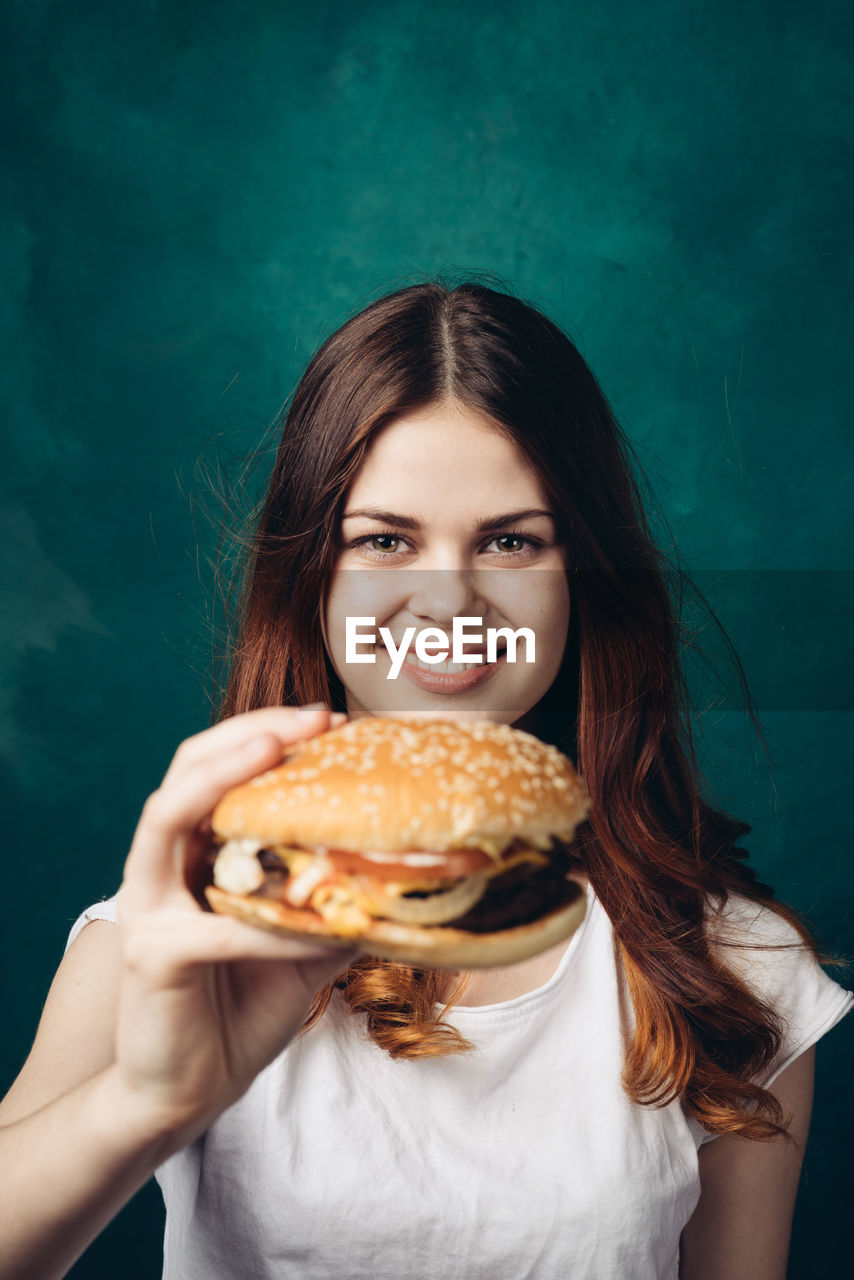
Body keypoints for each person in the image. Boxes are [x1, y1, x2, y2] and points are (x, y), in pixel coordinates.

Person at [0, 280, 850, 1280]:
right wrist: (148, 1099)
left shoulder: (737, 967)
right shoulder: (171, 939)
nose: (448, 599)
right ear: (311, 574)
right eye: (383, 539)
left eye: (510, 538)